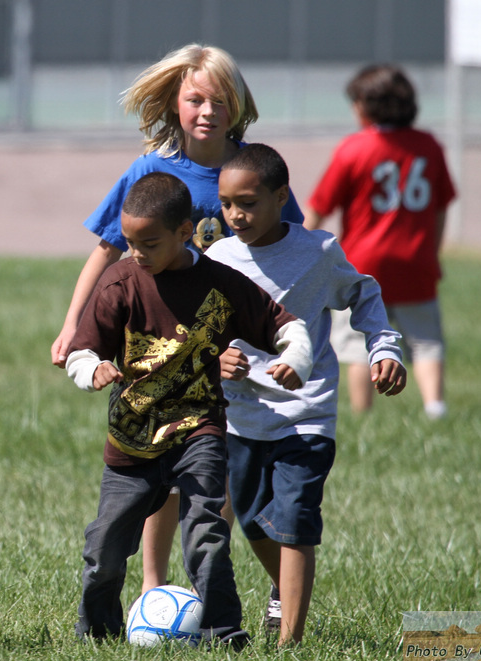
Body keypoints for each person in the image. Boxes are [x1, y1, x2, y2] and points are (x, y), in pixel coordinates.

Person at [48, 41, 304, 595]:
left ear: (238, 104)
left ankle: (265, 589)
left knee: (232, 470)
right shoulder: (151, 172)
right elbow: (106, 250)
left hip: (240, 344)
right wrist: (74, 326)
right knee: (162, 462)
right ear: (175, 102)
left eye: (220, 100)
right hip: (170, 346)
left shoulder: (252, 170)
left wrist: (293, 335)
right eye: (195, 99)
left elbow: (293, 249)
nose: (207, 111)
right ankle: (154, 588)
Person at [65, 171, 314, 648]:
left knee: (206, 532)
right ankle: (97, 631)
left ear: (185, 232)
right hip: (132, 437)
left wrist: (294, 358)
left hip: (198, 431)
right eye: (130, 242)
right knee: (104, 547)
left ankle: (223, 631)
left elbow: (286, 326)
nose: (137, 253)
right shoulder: (120, 283)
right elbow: (83, 349)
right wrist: (90, 369)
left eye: (150, 243)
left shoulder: (221, 285)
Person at [197, 143, 404, 646]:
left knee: (294, 520)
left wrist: (384, 347)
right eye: (226, 204)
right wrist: (217, 357)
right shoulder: (219, 257)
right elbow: (200, 330)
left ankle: (290, 642)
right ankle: (283, 584)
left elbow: (364, 294)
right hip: (242, 416)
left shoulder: (318, 252)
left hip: (305, 415)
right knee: (252, 520)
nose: (235, 215)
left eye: (247, 202)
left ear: (280, 196)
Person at [304, 64, 456, 419]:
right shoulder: (428, 146)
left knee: (358, 341)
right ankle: (435, 407)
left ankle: (363, 413)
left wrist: (299, 247)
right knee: (425, 339)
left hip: (363, 263)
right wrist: (432, 253)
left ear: (368, 105)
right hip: (416, 261)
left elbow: (319, 207)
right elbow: (440, 206)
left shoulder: (354, 149)